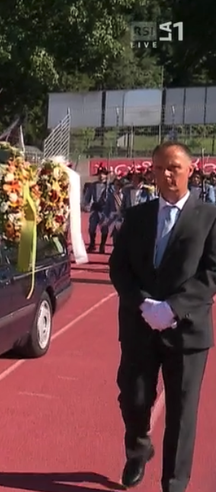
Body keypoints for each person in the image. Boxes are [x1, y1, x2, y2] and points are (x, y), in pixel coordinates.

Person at [108, 141, 216, 492]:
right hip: (140, 325)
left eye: (174, 167)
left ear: (190, 170)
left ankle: (174, 483)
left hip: (187, 330)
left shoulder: (209, 217)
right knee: (133, 397)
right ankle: (138, 448)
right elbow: (118, 267)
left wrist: (172, 308)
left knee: (182, 414)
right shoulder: (137, 216)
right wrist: (143, 304)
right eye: (159, 168)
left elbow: (211, 273)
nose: (166, 174)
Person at [84, 164, 112, 253]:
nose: (101, 176)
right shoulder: (92, 185)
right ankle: (92, 243)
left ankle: (102, 245)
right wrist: (86, 204)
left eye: (103, 173)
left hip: (104, 209)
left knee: (104, 228)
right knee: (92, 227)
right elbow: (87, 197)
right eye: (100, 174)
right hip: (95, 208)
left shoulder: (109, 186)